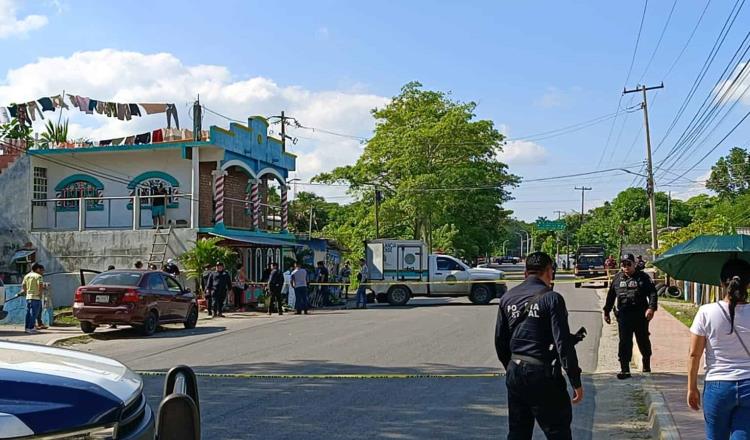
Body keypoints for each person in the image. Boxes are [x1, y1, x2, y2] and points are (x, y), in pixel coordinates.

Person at [495, 252, 583, 439]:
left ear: (525, 273)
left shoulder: (507, 298)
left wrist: (511, 367)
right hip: (543, 373)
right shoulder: (552, 298)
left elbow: (500, 341)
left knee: (518, 432)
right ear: (549, 272)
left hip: (515, 372)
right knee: (558, 431)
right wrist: (575, 379)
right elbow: (563, 344)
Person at [688, 259, 750, 439]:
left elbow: (694, 354)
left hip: (718, 386)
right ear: (748, 284)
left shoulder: (706, 312)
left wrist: (692, 388)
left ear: (722, 282)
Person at [603, 253, 658, 379]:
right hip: (624, 315)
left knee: (642, 339)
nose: (626, 266)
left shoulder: (642, 277)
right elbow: (611, 296)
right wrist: (606, 311)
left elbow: (652, 293)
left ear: (634, 264)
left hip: (640, 315)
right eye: (624, 264)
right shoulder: (617, 278)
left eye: (629, 264)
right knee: (624, 342)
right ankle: (625, 369)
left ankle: (646, 365)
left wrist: (651, 308)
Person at [21, 263, 45, 335]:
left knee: (28, 313)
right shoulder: (38, 276)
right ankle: (31, 328)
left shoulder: (26, 276)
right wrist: (40, 294)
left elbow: (23, 285)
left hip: (28, 297)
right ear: (37, 269)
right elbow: (40, 285)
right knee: (34, 313)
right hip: (35, 297)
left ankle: (27, 328)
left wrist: (26, 292)